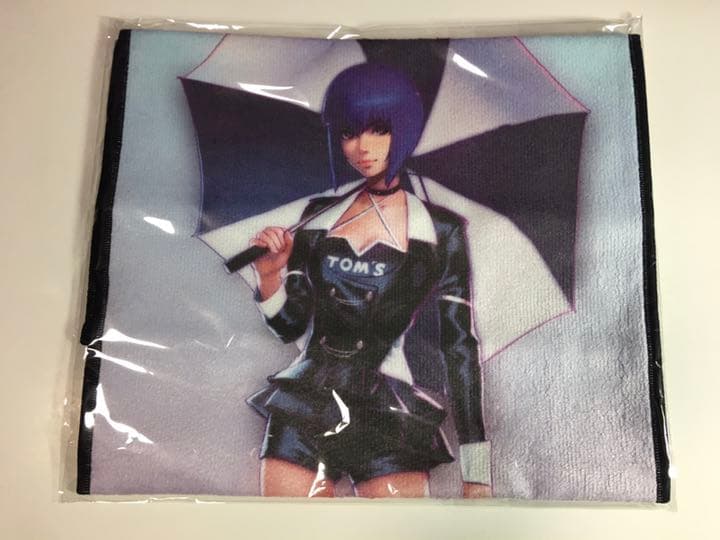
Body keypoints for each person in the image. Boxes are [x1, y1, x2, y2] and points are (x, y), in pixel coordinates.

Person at [248, 63, 491, 498]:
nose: (362, 147)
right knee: (284, 528)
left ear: (405, 129)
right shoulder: (318, 217)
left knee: (395, 530)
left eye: (379, 129)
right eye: (348, 132)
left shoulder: (440, 231)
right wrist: (269, 276)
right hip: (305, 405)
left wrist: (477, 472)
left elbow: (459, 348)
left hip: (389, 416)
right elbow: (289, 326)